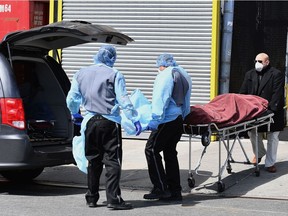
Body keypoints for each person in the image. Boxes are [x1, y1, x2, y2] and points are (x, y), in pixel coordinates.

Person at [66, 45, 142, 210]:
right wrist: (134, 118)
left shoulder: (80, 73)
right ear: (112, 58)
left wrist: (75, 113)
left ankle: (91, 198)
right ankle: (114, 199)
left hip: (90, 121)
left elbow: (72, 97)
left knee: (93, 161)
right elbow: (123, 99)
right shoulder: (115, 74)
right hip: (109, 122)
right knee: (112, 161)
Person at [144, 53, 192, 201]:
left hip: (167, 119)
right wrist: (183, 115)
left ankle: (161, 188)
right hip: (178, 119)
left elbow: (161, 99)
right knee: (170, 153)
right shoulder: (183, 73)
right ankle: (175, 191)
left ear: (162, 65)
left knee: (151, 150)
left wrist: (155, 120)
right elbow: (186, 98)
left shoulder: (165, 75)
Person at [239, 52, 285, 173]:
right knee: (253, 133)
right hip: (254, 111)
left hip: (272, 111)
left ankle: (270, 163)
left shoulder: (276, 74)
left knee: (273, 137)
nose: (257, 64)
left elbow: (277, 94)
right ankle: (259, 153)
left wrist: (270, 111)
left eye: (260, 61)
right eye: (256, 61)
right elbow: (243, 92)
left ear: (267, 62)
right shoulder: (250, 74)